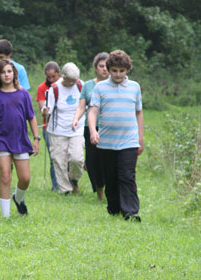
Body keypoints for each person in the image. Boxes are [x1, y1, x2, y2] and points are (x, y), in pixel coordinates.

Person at [88, 50, 144, 222]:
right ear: (109, 70)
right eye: (114, 70)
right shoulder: (100, 88)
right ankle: (113, 207)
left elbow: (139, 112)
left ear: (127, 69)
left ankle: (131, 212)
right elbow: (93, 111)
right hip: (107, 143)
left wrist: (140, 138)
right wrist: (92, 130)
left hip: (129, 140)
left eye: (122, 70)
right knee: (110, 178)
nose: (118, 74)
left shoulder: (134, 87)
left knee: (127, 176)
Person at [0, 60, 40, 218]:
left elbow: (31, 117)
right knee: (5, 176)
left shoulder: (23, 94)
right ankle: (5, 216)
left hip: (20, 139)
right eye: (3, 72)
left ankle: (18, 198)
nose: (6, 75)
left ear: (14, 73)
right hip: (1, 140)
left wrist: (36, 138)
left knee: (25, 178)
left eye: (9, 71)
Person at [0, 39, 31, 191]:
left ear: (10, 55)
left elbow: (23, 95)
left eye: (2, 58)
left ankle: (9, 182)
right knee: (1, 155)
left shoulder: (20, 70)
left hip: (14, 118)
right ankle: (0, 178)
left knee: (16, 158)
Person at [42, 62, 84, 195]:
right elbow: (47, 110)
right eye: (70, 80)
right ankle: (65, 191)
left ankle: (73, 179)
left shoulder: (81, 86)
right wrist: (45, 111)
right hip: (57, 130)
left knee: (77, 159)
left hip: (76, 129)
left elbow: (86, 106)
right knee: (59, 161)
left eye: (74, 80)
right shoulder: (54, 88)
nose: (72, 83)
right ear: (63, 77)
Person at [72, 52, 109, 201]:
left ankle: (110, 189)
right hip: (91, 128)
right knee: (92, 162)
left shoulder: (115, 84)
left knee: (108, 160)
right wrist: (76, 119)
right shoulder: (87, 86)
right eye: (101, 66)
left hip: (110, 128)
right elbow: (81, 107)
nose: (104, 69)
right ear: (95, 68)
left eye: (107, 66)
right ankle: (99, 191)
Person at [36, 61, 61, 191]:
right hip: (49, 127)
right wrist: (44, 110)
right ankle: (56, 186)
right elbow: (42, 109)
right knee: (54, 157)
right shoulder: (42, 88)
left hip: (66, 127)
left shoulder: (66, 85)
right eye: (48, 77)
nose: (51, 80)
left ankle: (70, 184)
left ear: (59, 73)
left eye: (54, 77)